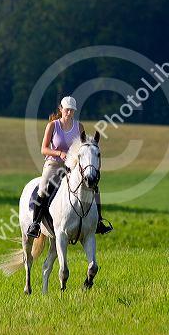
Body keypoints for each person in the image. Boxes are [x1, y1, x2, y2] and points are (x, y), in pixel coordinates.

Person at [27, 95, 113, 238]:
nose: (69, 113)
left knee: (93, 186)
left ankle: (98, 222)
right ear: (61, 109)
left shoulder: (79, 127)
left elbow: (82, 148)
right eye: (67, 110)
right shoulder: (53, 125)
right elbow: (43, 149)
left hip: (72, 165)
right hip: (54, 163)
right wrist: (59, 153)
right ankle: (35, 224)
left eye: (72, 110)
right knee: (43, 189)